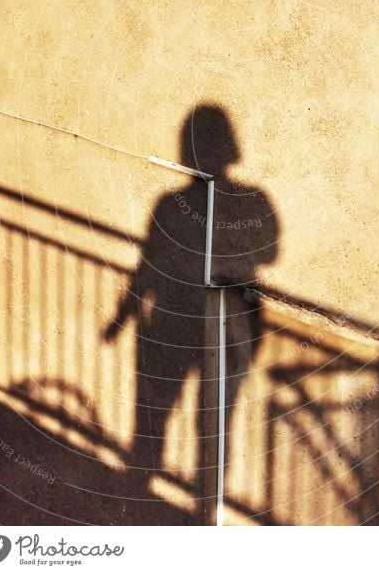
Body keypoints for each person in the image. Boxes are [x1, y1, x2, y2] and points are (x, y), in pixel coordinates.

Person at [104, 104, 279, 517]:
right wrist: (124, 315)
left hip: (216, 322)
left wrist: (125, 314)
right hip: (194, 321)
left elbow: (269, 249)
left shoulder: (202, 204)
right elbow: (149, 265)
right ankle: (188, 509)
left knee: (199, 422)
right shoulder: (180, 206)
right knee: (177, 417)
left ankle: (195, 510)